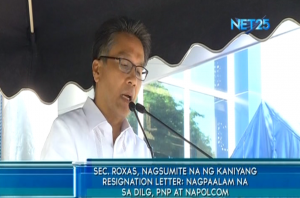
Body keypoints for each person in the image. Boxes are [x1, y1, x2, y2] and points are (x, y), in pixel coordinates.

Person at [40, 17, 152, 161]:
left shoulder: (141, 151)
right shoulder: (67, 131)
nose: (133, 80)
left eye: (139, 71)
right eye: (124, 64)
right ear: (97, 70)